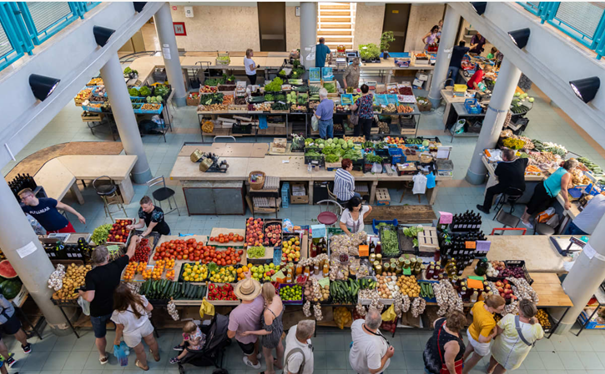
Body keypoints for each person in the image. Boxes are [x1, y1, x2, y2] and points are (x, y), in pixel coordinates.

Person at [79, 237, 138, 365]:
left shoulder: (91, 275)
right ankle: (119, 342)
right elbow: (130, 253)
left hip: (98, 311)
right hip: (115, 306)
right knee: (119, 326)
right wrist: (133, 239)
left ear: (94, 260)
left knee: (100, 335)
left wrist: (81, 293)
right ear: (107, 257)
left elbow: (89, 298)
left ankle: (102, 356)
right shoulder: (116, 266)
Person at [112, 283, 159, 370]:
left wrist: (117, 340)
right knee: (152, 342)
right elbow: (150, 308)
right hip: (145, 325)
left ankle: (144, 366)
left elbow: (120, 328)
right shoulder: (140, 298)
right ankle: (156, 357)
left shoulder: (117, 313)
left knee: (139, 351)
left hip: (131, 333)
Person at [488, 299, 544, 374]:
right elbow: (539, 338)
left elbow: (498, 331)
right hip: (517, 353)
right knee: (503, 366)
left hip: (502, 346)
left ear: (521, 313)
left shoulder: (509, 318)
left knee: (495, 357)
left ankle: (490, 369)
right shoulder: (537, 327)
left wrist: (494, 337)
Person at [521, 159, 578, 229]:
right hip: (545, 192)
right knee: (533, 206)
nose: (574, 170)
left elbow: (568, 183)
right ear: (571, 168)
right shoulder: (566, 174)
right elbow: (564, 189)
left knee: (531, 202)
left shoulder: (561, 169)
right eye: (574, 168)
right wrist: (566, 201)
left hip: (541, 186)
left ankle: (523, 216)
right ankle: (525, 220)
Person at [241, 283, 285, 374]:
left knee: (267, 354)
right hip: (279, 327)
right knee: (279, 345)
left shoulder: (268, 313)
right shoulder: (277, 297)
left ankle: (270, 371)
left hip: (271, 336)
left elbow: (268, 331)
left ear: (263, 294)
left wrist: (250, 332)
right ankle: (279, 364)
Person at [462, 295, 506, 374]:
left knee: (468, 348)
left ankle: (459, 363)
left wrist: (479, 322)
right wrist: (494, 334)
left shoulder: (479, 304)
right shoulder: (489, 322)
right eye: (501, 309)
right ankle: (463, 372)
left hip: (471, 332)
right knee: (474, 358)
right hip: (479, 342)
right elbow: (481, 339)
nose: (503, 310)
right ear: (492, 307)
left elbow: (471, 312)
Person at [228, 276, 265, 369]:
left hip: (244, 337)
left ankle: (255, 363)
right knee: (255, 340)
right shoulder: (260, 298)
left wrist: (227, 331)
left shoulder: (235, 313)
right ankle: (257, 353)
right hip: (257, 329)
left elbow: (231, 335)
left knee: (249, 351)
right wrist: (249, 277)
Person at [476, 149, 529, 214]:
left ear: (505, 158)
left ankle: (486, 208)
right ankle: (510, 200)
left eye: (502, 155)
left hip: (508, 188)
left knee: (490, 190)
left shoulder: (502, 165)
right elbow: (528, 160)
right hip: (521, 189)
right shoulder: (521, 161)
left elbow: (496, 174)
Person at [18, 188, 85, 233]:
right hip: (50, 231)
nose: (22, 201)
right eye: (21, 199)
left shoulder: (47, 201)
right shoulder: (26, 208)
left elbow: (64, 206)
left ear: (31, 196)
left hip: (64, 227)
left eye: (24, 198)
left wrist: (78, 215)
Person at [349, 308, 394, 374]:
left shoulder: (357, 323)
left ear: (366, 318)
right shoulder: (374, 346)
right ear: (379, 324)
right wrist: (387, 355)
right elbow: (373, 370)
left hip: (356, 357)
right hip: (365, 371)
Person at [0, 294, 32, 368]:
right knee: (17, 331)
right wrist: (9, 311)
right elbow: (4, 302)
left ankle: (9, 359)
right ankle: (26, 346)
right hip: (5, 316)